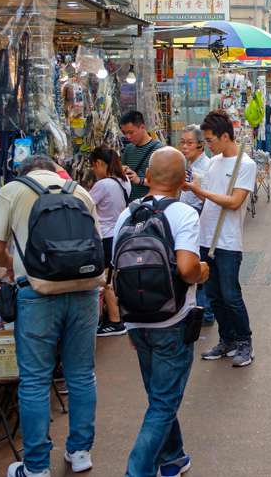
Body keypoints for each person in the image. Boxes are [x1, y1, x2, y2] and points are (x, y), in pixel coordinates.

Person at [0, 155, 102, 477]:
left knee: (35, 380)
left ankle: (36, 467)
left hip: (37, 294)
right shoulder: (80, 192)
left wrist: (18, 265)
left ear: (25, 172)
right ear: (54, 171)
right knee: (81, 374)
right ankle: (80, 452)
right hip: (84, 291)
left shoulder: (11, 191)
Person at [113, 147, 209, 477]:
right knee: (164, 402)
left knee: (158, 396)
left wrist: (126, 322)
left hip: (136, 319)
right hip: (172, 320)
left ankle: (173, 458)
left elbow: (116, 269)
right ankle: (137, 471)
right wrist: (202, 271)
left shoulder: (128, 215)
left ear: (149, 177)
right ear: (184, 182)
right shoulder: (183, 214)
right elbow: (186, 268)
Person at [183, 110, 256, 366]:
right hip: (205, 238)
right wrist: (194, 190)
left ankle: (245, 342)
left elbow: (235, 202)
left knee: (231, 295)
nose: (209, 146)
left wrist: (199, 190)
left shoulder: (245, 164)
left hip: (227, 241)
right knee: (214, 295)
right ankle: (227, 340)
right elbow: (210, 198)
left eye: (211, 140)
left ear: (225, 136)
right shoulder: (214, 163)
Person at [88, 145, 132, 337]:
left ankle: (115, 321)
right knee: (113, 277)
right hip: (119, 234)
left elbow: (84, 203)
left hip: (105, 236)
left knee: (105, 280)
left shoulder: (103, 185)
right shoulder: (124, 181)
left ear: (99, 163)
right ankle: (116, 316)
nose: (93, 171)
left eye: (93, 166)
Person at [179, 125, 214, 325]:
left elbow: (208, 201)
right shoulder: (190, 165)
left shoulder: (205, 168)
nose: (185, 146)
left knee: (198, 266)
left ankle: (205, 311)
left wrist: (195, 189)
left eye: (189, 143)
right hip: (190, 218)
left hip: (199, 219)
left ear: (201, 145)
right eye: (182, 142)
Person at [120, 110, 163, 202]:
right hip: (131, 204)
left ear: (142, 127)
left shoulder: (159, 150)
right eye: (124, 133)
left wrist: (139, 180)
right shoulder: (128, 149)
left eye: (131, 132)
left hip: (150, 204)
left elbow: (164, 183)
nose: (128, 137)